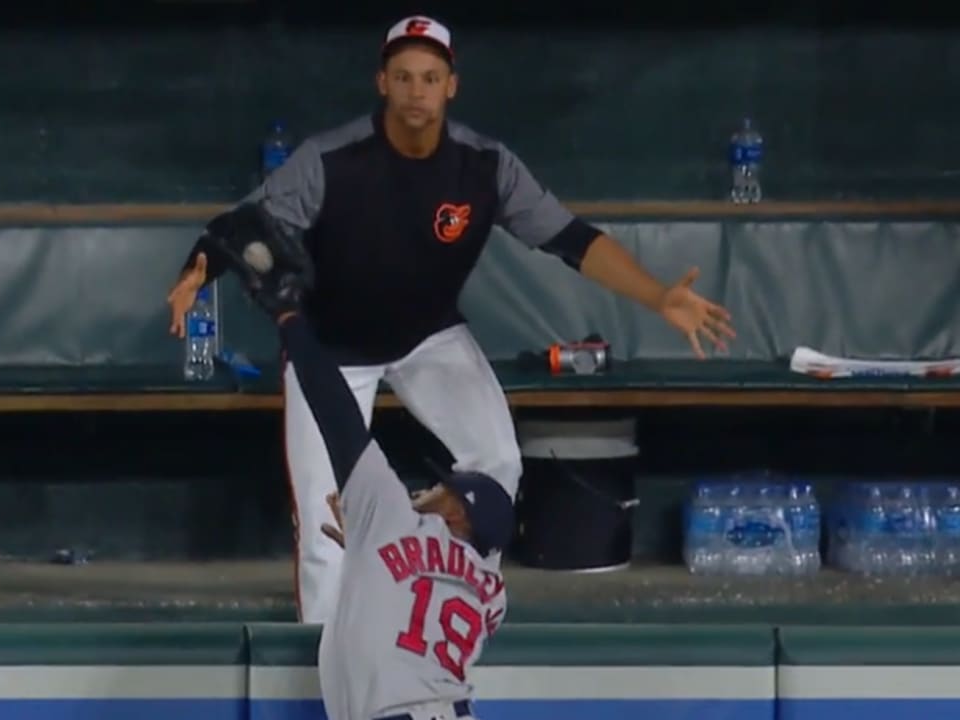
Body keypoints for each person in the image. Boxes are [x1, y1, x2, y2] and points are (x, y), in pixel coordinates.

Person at [167, 15, 735, 624]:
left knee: (496, 463)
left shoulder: (484, 166)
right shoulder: (329, 160)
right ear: (382, 82)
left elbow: (572, 238)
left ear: (451, 86)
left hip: (427, 337)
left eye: (431, 77)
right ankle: (329, 663)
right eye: (405, 77)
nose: (418, 90)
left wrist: (658, 297)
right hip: (332, 349)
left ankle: (452, 610)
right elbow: (242, 228)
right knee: (326, 509)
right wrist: (196, 272)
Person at [277, 296, 511, 720]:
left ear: (458, 517)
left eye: (444, 491)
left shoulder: (392, 520)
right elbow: (423, 584)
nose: (428, 490)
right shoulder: (493, 593)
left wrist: (291, 323)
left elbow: (338, 416)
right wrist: (368, 548)